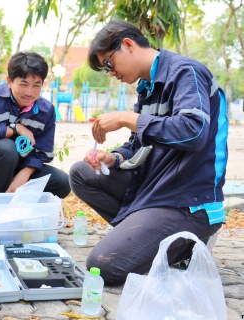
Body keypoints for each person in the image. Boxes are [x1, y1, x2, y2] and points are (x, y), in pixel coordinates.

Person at [69, 20, 228, 285]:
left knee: (104, 266)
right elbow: (137, 145)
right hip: (155, 189)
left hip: (186, 199)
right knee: (81, 173)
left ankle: (188, 243)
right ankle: (146, 234)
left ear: (128, 44)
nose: (111, 73)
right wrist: (114, 158)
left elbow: (194, 131)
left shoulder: (185, 73)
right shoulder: (148, 87)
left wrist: (127, 118)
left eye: (109, 63)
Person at [0, 52, 70, 198]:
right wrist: (14, 129)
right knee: (6, 148)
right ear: (9, 80)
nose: (29, 92)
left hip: (18, 168)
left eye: (36, 85)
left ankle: (20, 208)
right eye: (23, 84)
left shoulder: (46, 111)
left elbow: (43, 153)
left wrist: (25, 173)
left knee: (62, 182)